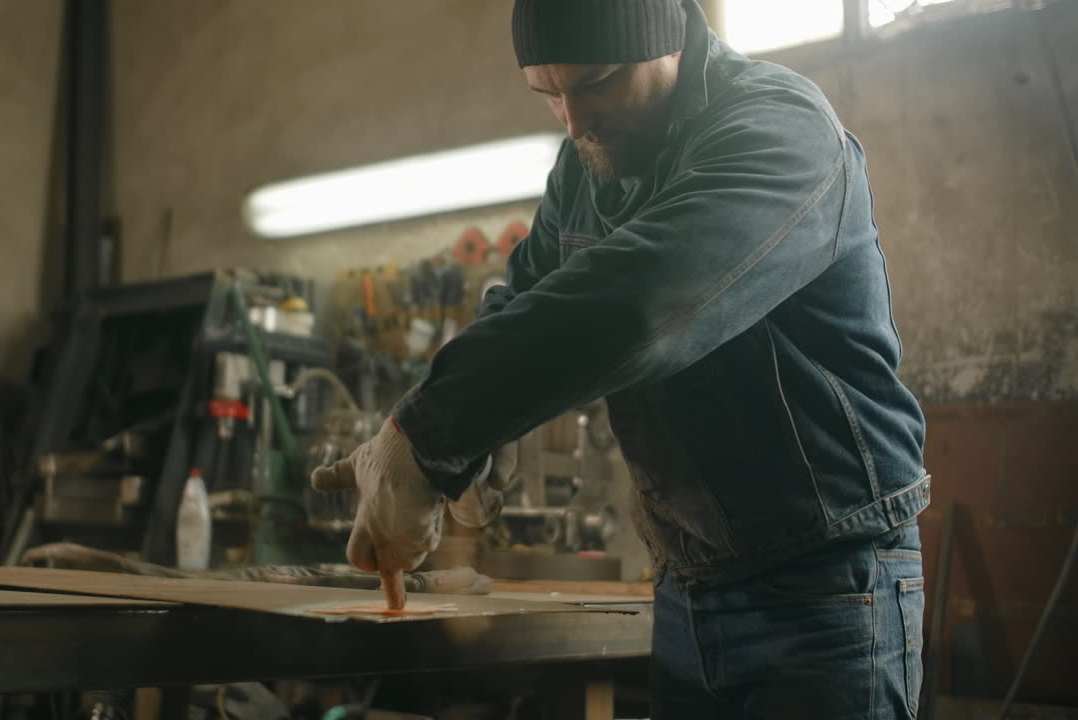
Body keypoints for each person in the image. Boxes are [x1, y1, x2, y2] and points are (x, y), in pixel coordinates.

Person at [310, 1, 931, 717]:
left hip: (826, 585)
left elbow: (643, 303)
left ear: (665, 41)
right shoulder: (584, 168)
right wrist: (477, 438)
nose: (574, 121)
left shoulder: (778, 130)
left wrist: (429, 435)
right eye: (549, 94)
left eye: (596, 82)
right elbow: (523, 296)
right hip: (687, 581)